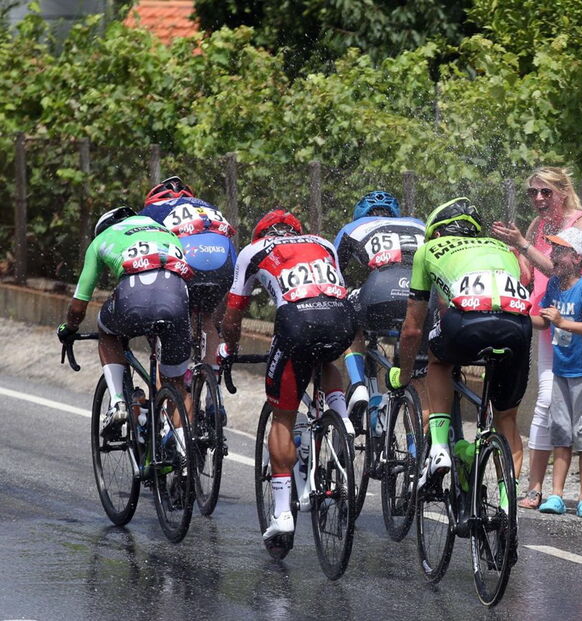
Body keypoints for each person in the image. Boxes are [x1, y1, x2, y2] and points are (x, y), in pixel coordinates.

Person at [218, 209, 356, 553]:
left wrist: (228, 349)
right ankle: (341, 416)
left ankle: (281, 514)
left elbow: (234, 312)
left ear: (262, 233)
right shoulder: (322, 242)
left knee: (282, 416)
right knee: (326, 358)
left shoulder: (255, 250)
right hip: (341, 318)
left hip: (296, 321)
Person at [491, 166, 582, 513]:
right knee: (548, 400)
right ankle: (537, 488)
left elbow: (555, 268)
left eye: (546, 192)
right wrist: (510, 255)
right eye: (533, 192)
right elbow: (531, 273)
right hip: (550, 318)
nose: (538, 199)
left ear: (563, 192)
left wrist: (522, 245)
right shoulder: (536, 227)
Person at [386, 197, 532, 487]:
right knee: (506, 419)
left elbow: (413, 328)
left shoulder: (428, 250)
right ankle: (507, 506)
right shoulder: (504, 248)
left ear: (437, 233)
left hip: (467, 324)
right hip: (517, 327)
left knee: (438, 360)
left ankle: (439, 448)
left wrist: (402, 375)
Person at [57, 207, 194, 436]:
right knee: (176, 386)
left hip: (134, 294)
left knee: (107, 330)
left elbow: (79, 303)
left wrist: (69, 328)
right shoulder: (164, 230)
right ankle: (183, 454)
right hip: (177, 297)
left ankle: (118, 402)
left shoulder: (101, 240)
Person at [530, 227, 582, 519]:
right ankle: (557, 495)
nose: (553, 255)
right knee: (560, 433)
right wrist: (522, 316)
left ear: (576, 257)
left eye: (559, 251)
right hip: (561, 371)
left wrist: (564, 321)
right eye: (553, 249)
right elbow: (545, 322)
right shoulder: (553, 286)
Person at [332, 191, 426, 416]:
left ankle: (357, 385)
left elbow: (332, 275)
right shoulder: (419, 224)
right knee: (417, 376)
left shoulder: (352, 228)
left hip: (381, 288)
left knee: (348, 313)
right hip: (419, 295)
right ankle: (417, 444)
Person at [139, 176, 237, 388]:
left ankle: (166, 396)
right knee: (209, 320)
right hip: (225, 264)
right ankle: (213, 397)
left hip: (189, 262)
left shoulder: (151, 211)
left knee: (165, 323)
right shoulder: (207, 207)